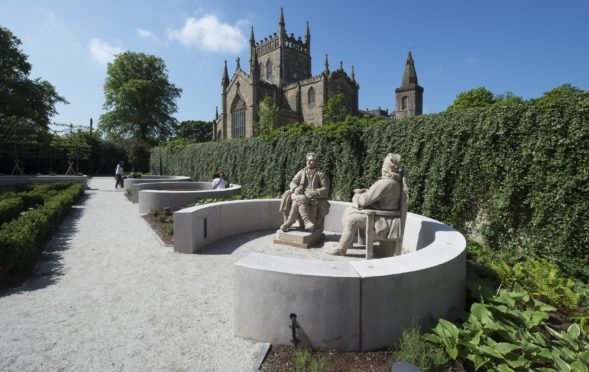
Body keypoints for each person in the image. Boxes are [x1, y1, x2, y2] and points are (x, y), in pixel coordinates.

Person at [326, 153, 405, 256]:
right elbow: (377, 195)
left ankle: (342, 248)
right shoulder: (393, 183)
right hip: (384, 215)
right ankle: (347, 242)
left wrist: (357, 196)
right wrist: (366, 191)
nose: (382, 168)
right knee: (348, 210)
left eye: (383, 166)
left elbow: (364, 201)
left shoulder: (386, 183)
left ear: (386, 169)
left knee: (352, 219)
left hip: (382, 219)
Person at [280, 152, 330, 232]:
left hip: (312, 196)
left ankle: (290, 222)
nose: (310, 162)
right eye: (309, 160)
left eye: (312, 160)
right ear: (306, 160)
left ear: (316, 162)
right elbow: (293, 182)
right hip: (301, 195)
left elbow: (325, 188)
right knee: (300, 198)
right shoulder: (301, 172)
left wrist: (315, 192)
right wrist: (295, 189)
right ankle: (306, 222)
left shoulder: (320, 174)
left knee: (298, 199)